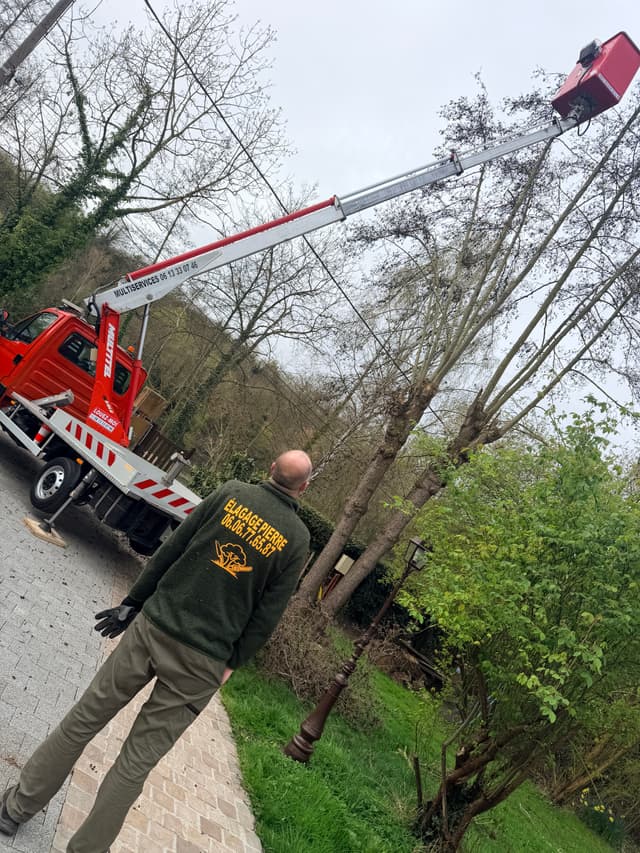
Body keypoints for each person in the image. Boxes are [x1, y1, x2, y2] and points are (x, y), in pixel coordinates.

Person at [0, 450, 312, 853]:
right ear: (304, 487)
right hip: (203, 662)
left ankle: (14, 810)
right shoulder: (297, 539)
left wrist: (133, 601)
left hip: (155, 627)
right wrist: (232, 663)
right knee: (136, 763)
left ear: (271, 469)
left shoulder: (230, 493)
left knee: (82, 720)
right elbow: (267, 614)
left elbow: (174, 548)